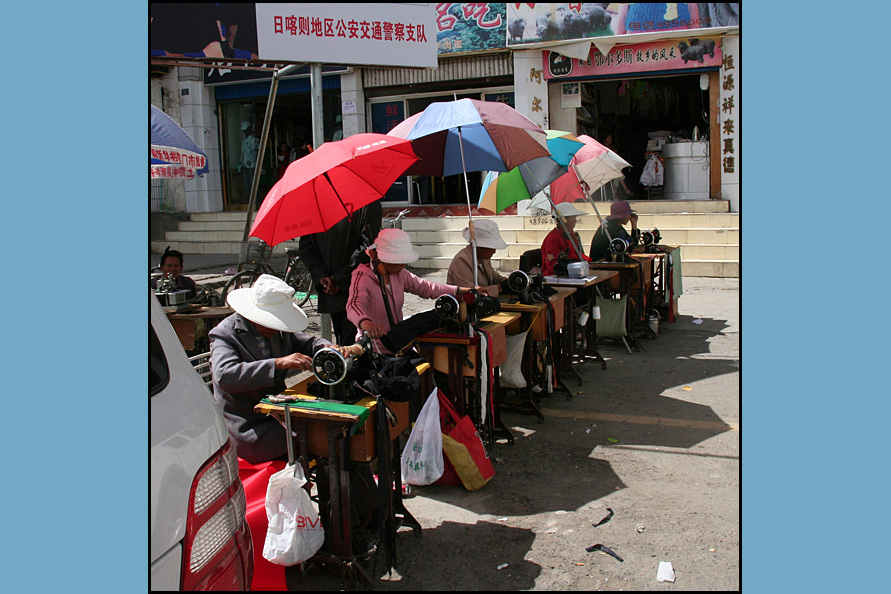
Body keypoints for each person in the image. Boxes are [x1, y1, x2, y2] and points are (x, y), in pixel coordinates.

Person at [209, 274, 334, 463]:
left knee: (327, 429)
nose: (278, 328)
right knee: (316, 437)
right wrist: (278, 363)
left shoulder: (279, 332)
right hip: (248, 424)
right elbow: (224, 375)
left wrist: (327, 347)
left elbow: (308, 342)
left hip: (277, 413)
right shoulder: (225, 334)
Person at [346, 228, 489, 355]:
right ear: (382, 259)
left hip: (399, 344)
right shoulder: (362, 276)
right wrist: (366, 324)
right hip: (375, 351)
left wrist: (462, 290)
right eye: (398, 261)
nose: (403, 265)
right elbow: (353, 305)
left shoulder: (400, 274)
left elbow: (427, 288)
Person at [299, 201, 382, 345]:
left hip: (351, 286)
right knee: (352, 343)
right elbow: (368, 246)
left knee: (353, 341)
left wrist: (328, 278)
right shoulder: (316, 206)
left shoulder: (366, 203)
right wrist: (323, 277)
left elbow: (368, 246)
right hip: (341, 288)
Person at [447, 219, 510, 297]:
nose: (494, 251)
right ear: (481, 247)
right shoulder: (461, 261)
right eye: (492, 248)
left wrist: (510, 282)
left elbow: (495, 278)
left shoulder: (483, 259)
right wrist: (499, 288)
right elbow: (471, 293)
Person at [541, 202, 590, 277]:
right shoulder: (553, 239)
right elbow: (552, 265)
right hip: (556, 276)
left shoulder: (571, 235)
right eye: (573, 218)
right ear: (564, 220)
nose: (575, 221)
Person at [238, 121, 260, 200]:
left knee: (253, 183)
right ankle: (249, 200)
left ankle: (255, 200)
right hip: (244, 164)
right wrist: (240, 162)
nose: (245, 132)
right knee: (247, 184)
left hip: (252, 164)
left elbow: (258, 151)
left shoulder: (254, 140)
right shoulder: (244, 140)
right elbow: (243, 152)